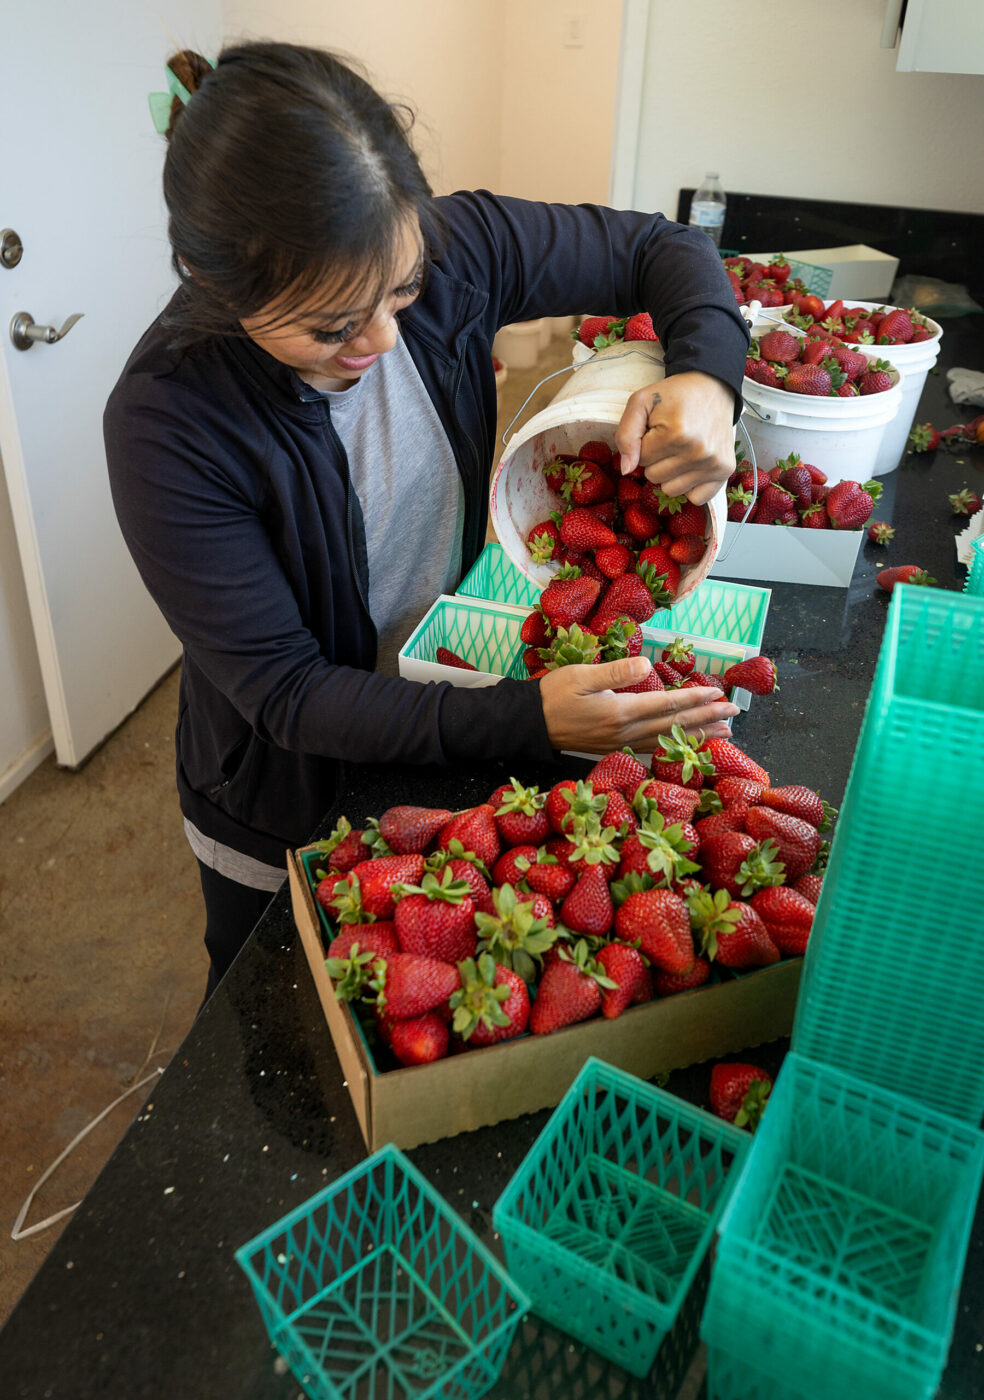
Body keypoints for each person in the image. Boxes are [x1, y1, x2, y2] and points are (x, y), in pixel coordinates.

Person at [105, 40, 749, 999]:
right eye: (331, 327)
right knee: (277, 1021)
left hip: (444, 696)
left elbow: (667, 248)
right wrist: (524, 718)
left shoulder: (457, 249)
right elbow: (288, 691)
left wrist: (706, 377)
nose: (382, 338)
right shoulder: (169, 423)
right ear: (209, 277)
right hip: (288, 789)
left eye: (400, 289)